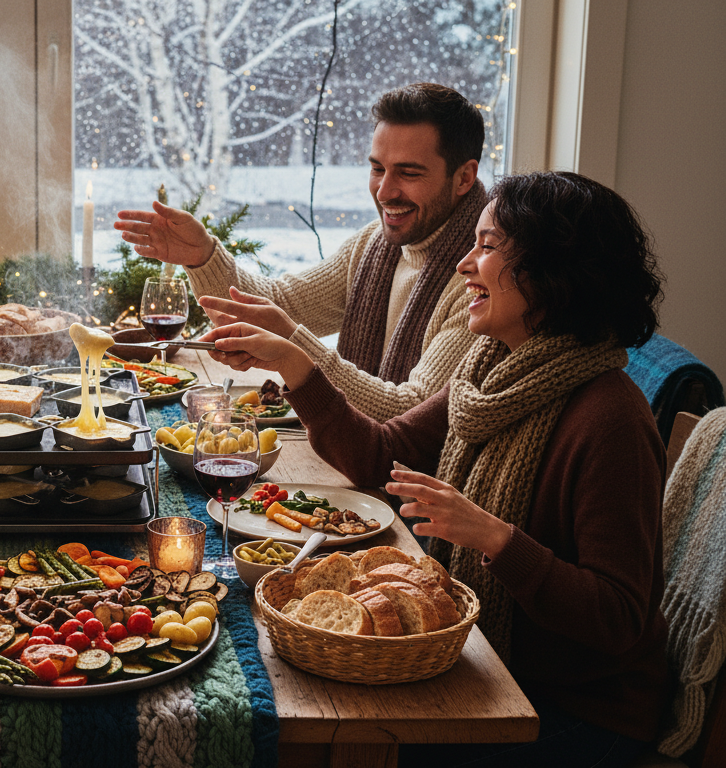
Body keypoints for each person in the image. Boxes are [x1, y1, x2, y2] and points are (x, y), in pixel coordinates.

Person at [201, 171, 668, 767]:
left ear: (555, 269)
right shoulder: (491, 371)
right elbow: (379, 454)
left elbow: (617, 618)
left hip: (574, 712)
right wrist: (296, 366)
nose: (464, 264)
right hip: (486, 666)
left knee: (315, 738)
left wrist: (493, 536)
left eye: (489, 246)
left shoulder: (610, 419)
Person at [116, 83, 487, 421]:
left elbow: (412, 412)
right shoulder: (373, 246)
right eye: (377, 168)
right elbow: (281, 303)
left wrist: (296, 352)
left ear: (464, 178)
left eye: (409, 173)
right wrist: (203, 256)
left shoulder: (482, 277)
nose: (384, 191)